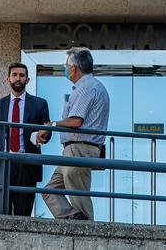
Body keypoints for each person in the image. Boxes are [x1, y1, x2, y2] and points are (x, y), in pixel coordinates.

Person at [41, 46, 110, 220]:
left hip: (79, 149)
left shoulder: (86, 88)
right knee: (49, 191)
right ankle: (74, 219)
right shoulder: (91, 86)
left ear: (74, 68)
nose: (65, 69)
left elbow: (76, 121)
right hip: (75, 150)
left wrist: (52, 125)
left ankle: (87, 234)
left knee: (80, 198)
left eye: (66, 65)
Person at [0, 62, 51, 216]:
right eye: (14, 75)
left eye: (22, 75)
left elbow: (47, 129)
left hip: (26, 165)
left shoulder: (40, 104)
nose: (18, 78)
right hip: (2, 164)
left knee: (23, 214)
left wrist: (44, 135)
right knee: (1, 213)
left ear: (27, 79)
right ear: (8, 78)